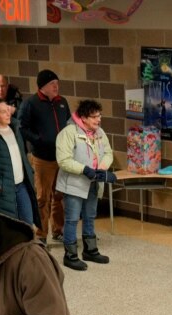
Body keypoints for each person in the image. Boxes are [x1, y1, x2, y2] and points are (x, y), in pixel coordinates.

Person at [55, 99, 115, 271]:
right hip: (74, 184)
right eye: (94, 117)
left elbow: (108, 152)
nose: (98, 120)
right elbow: (64, 161)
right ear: (83, 117)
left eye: (99, 116)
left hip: (94, 182)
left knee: (90, 216)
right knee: (72, 219)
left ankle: (90, 250)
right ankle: (70, 255)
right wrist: (85, 169)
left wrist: (102, 168)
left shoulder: (99, 132)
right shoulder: (68, 133)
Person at [19, 69, 70, 243]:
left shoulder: (62, 102)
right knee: (42, 198)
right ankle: (41, 234)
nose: (56, 87)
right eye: (52, 84)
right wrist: (38, 140)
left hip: (61, 158)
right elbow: (22, 127)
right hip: (42, 158)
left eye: (57, 83)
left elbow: (69, 123)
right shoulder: (31, 104)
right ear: (42, 87)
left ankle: (58, 229)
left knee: (59, 195)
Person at [0, 98, 40, 225]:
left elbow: (22, 155)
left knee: (28, 222)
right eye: (3, 112)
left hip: (22, 185)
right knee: (10, 227)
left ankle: (28, 246)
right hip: (4, 188)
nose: (8, 114)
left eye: (8, 110)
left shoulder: (15, 129)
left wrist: (30, 174)